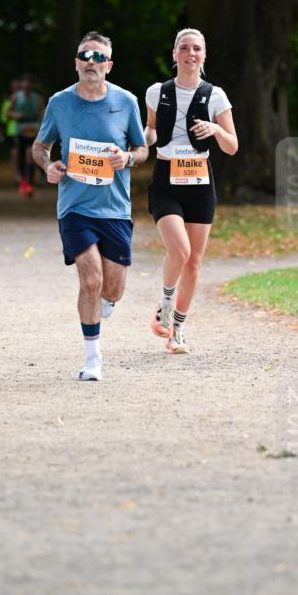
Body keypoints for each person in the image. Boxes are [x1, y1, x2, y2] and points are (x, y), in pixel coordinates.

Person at [33, 31, 147, 381]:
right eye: (86, 56)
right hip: (75, 207)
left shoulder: (126, 102)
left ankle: (104, 305)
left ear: (109, 66)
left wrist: (126, 157)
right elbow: (41, 146)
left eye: (99, 58)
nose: (91, 63)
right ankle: (92, 358)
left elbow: (142, 150)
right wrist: (48, 166)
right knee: (90, 277)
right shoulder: (60, 102)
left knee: (112, 288)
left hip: (114, 208)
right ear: (77, 62)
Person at [144, 28, 238, 354]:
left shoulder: (216, 95)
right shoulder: (157, 92)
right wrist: (141, 138)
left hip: (200, 181)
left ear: (204, 55)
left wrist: (215, 129)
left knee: (194, 263)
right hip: (166, 179)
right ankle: (166, 305)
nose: (191, 53)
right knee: (179, 251)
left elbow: (232, 146)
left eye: (197, 48)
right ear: (174, 54)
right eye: (184, 47)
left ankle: (177, 329)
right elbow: (152, 131)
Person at [9, 74, 43, 196]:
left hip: (33, 128)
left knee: (30, 156)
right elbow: (8, 113)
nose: (27, 85)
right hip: (20, 129)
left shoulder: (38, 98)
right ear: (22, 84)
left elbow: (42, 112)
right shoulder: (15, 97)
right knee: (20, 156)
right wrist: (16, 115)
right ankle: (22, 178)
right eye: (25, 83)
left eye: (29, 83)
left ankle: (29, 181)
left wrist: (40, 117)